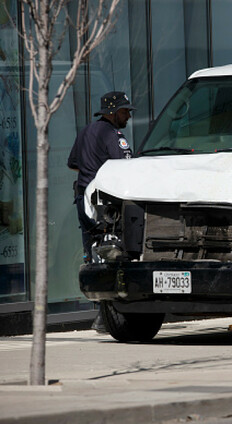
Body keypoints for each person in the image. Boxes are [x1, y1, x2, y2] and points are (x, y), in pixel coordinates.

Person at [68, 91, 135, 332]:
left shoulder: (85, 131)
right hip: (106, 204)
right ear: (113, 112)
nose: (128, 116)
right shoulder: (113, 135)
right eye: (125, 111)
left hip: (84, 201)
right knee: (114, 254)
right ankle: (109, 315)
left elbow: (73, 164)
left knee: (94, 255)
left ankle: (101, 314)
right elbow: (125, 167)